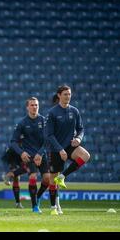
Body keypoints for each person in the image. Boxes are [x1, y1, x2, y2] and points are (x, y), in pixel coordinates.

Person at [45, 85, 90, 215]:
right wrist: (60, 150)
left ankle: (63, 176)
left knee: (85, 156)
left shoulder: (74, 111)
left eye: (69, 94)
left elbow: (81, 129)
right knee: (53, 181)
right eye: (65, 94)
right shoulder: (52, 113)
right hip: (55, 148)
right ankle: (54, 207)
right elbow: (49, 135)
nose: (68, 96)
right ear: (59, 95)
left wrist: (79, 139)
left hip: (70, 145)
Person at [3, 97, 51, 213]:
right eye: (32, 105)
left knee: (47, 179)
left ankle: (37, 196)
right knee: (33, 176)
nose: (34, 107)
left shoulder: (44, 121)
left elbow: (48, 140)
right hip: (28, 156)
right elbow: (13, 141)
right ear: (27, 107)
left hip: (41, 154)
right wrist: (21, 152)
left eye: (36, 105)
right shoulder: (22, 123)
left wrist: (40, 153)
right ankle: (34, 206)